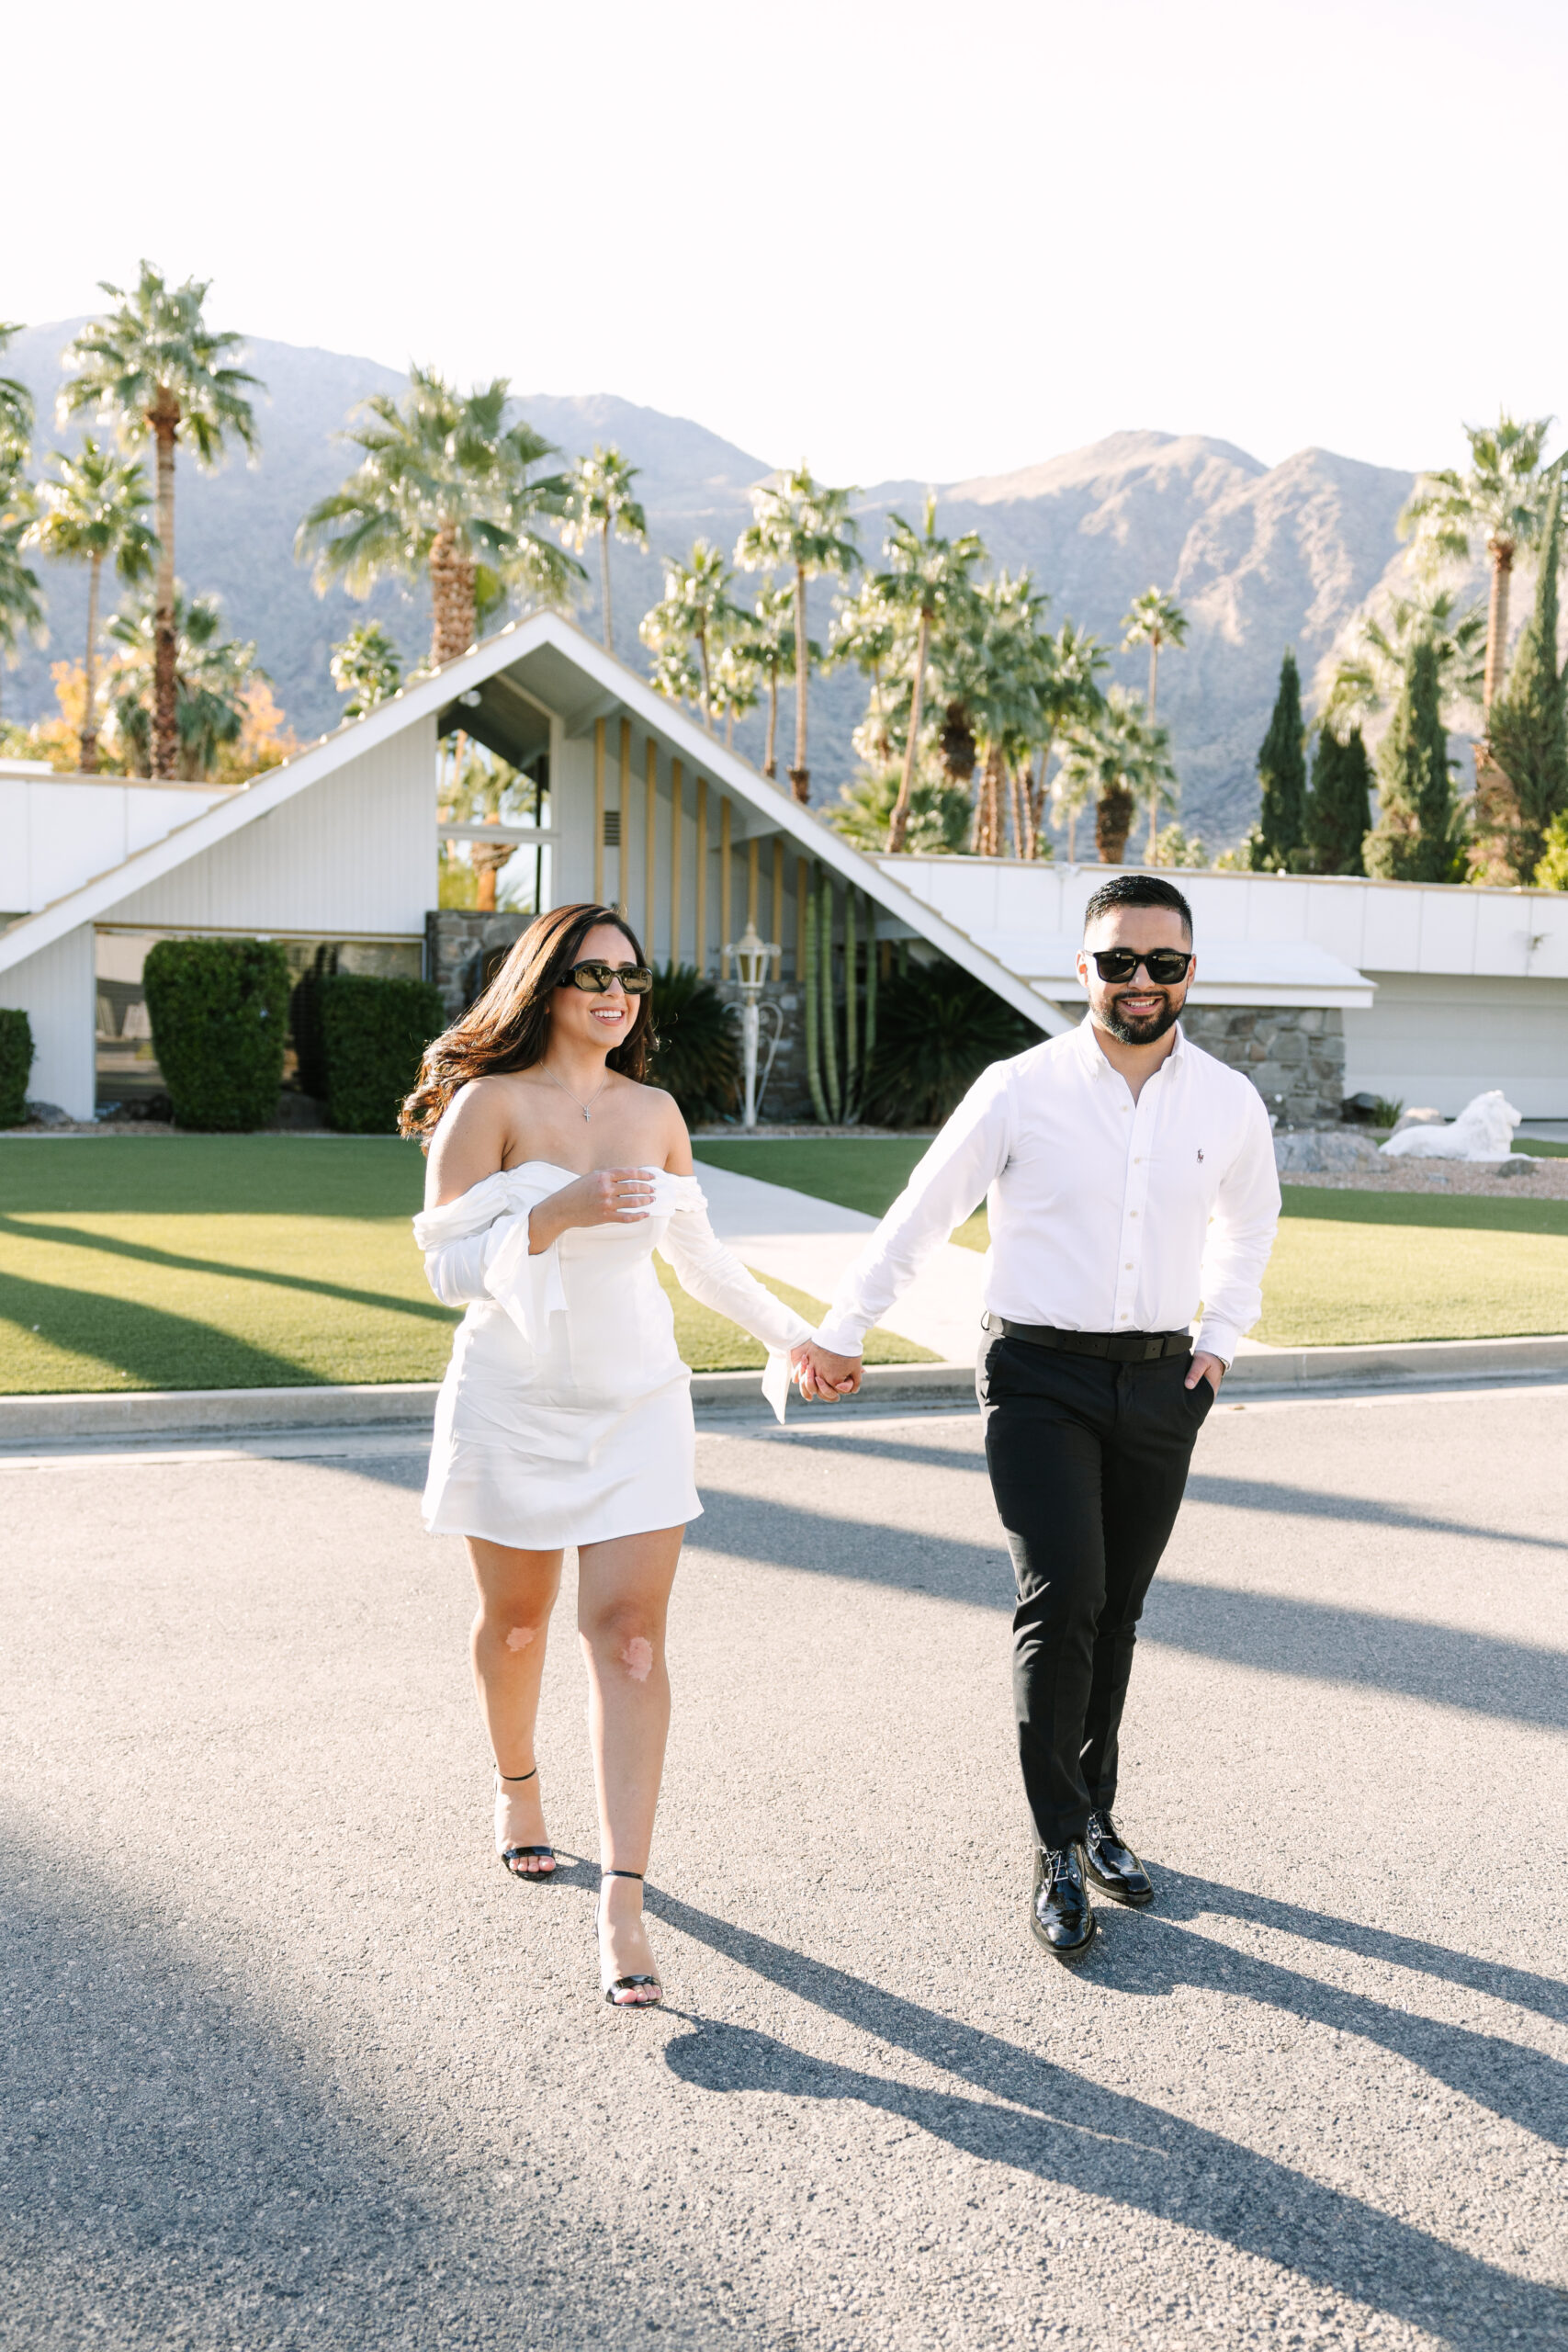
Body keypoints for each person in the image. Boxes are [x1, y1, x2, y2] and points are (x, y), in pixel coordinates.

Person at [795, 874, 1280, 1962]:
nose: (1141, 981)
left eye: (1163, 962)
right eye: (1119, 961)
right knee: (1061, 1596)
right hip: (1037, 1376)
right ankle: (1056, 1844)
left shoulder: (1228, 1102)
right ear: (1084, 970)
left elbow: (1249, 1224)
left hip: (1162, 1383)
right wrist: (844, 1326)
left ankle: (1097, 1812)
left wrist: (1220, 1340)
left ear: (1191, 972)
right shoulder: (1019, 1088)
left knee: (1119, 1610)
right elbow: (924, 1212)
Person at [401, 903, 814, 2007]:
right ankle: (517, 1786)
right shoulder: (490, 1106)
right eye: (591, 972)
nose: (615, 991)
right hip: (512, 1404)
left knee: (629, 1642)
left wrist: (795, 1337)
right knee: (521, 1624)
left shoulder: (657, 1113)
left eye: (629, 976)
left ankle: (623, 1900)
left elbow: (703, 1262)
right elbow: (443, 1267)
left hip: (637, 1406)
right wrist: (559, 1210)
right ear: (543, 985)